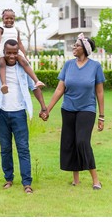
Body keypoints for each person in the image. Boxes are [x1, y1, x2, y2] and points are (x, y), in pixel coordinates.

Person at [0, 39, 47, 194]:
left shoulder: (23, 66)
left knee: (23, 148)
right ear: (4, 52)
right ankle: (8, 179)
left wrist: (43, 107)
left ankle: (27, 183)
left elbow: (35, 87)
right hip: (1, 113)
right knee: (5, 149)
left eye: (14, 52)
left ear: (18, 52)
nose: (12, 56)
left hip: (19, 113)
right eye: (8, 53)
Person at [40, 33, 105, 190]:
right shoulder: (68, 65)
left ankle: (96, 180)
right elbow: (60, 89)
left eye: (76, 45)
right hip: (68, 109)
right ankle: (75, 179)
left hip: (87, 109)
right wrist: (47, 109)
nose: (73, 47)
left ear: (85, 49)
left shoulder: (95, 66)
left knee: (82, 141)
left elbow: (100, 93)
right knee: (70, 142)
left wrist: (101, 116)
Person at [0, 8, 45, 94]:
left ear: (14, 19)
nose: (9, 20)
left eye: (11, 18)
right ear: (2, 19)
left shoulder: (16, 30)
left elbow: (20, 43)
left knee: (24, 62)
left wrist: (25, 56)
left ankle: (37, 81)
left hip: (15, 51)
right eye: (7, 18)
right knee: (2, 63)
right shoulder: (1, 29)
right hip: (3, 52)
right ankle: (4, 84)